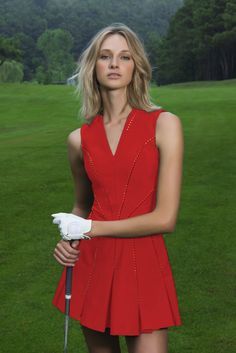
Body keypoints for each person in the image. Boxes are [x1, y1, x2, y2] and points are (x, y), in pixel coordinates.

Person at [52, 23, 184, 353]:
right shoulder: (78, 139)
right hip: (93, 264)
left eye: (124, 57)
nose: (114, 64)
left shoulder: (165, 124)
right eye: (105, 56)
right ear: (92, 67)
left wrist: (90, 228)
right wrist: (69, 240)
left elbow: (165, 218)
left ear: (136, 66)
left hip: (144, 262)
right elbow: (82, 206)